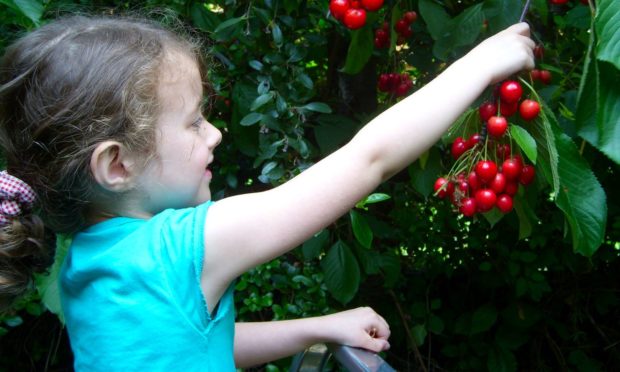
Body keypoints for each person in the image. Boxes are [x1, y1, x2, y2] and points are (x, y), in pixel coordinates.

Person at [0, 14, 534, 371]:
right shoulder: (182, 248)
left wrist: (315, 328)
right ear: (117, 164)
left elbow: (196, 344)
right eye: (193, 123)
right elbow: (367, 159)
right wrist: (481, 63)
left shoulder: (83, 264)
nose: (215, 133)